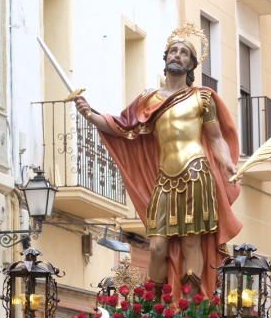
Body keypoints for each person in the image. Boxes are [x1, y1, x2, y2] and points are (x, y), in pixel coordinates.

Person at [75, 24, 241, 293]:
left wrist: (228, 163)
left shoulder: (203, 98)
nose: (177, 55)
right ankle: (154, 306)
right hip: (165, 179)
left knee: (190, 243)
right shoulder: (148, 99)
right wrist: (90, 115)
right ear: (165, 60)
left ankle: (191, 306)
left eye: (184, 53)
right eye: (173, 51)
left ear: (191, 64)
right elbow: (121, 125)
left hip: (196, 173)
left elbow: (216, 138)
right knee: (157, 246)